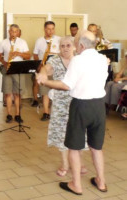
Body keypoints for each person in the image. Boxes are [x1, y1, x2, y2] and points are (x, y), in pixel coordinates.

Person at [37, 31, 108, 195]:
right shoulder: (103, 59)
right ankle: (101, 182)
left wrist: (45, 81)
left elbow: (66, 85)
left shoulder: (77, 60)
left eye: (75, 44)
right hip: (99, 106)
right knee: (96, 147)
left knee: (74, 147)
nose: (73, 47)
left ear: (81, 46)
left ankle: (76, 184)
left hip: (81, 106)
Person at [39, 36, 87, 177]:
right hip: (61, 103)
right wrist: (42, 75)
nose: (65, 48)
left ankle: (80, 162)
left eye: (68, 45)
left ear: (73, 46)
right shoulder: (54, 60)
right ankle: (65, 164)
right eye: (62, 46)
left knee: (78, 132)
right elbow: (45, 68)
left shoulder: (79, 59)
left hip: (78, 101)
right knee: (61, 134)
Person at [0, 24, 30, 123]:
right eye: (12, 31)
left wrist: (18, 53)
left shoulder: (22, 42)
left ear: (18, 32)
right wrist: (4, 63)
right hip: (8, 69)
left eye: (16, 31)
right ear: (9, 32)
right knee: (8, 93)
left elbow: (28, 56)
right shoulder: (3, 42)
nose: (14, 33)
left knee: (18, 94)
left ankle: (17, 114)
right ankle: (8, 114)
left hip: (18, 69)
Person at [33, 21, 61, 121]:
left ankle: (57, 113)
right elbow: (35, 54)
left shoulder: (59, 40)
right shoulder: (39, 41)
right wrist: (39, 65)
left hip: (56, 70)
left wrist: (52, 53)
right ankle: (46, 113)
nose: (51, 31)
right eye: (49, 29)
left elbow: (62, 53)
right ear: (44, 29)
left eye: (53, 28)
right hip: (44, 70)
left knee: (57, 92)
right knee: (45, 92)